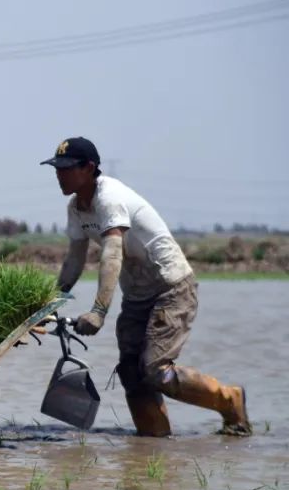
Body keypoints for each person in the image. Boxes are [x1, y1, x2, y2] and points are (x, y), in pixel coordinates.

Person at [41, 137, 250, 437]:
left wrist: (99, 311)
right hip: (138, 296)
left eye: (66, 168)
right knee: (130, 371)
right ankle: (154, 444)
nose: (59, 175)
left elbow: (112, 254)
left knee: (155, 369)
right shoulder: (76, 207)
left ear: (89, 168)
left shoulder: (109, 197)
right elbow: (74, 260)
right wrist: (48, 304)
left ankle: (230, 400)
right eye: (56, 168)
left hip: (171, 288)